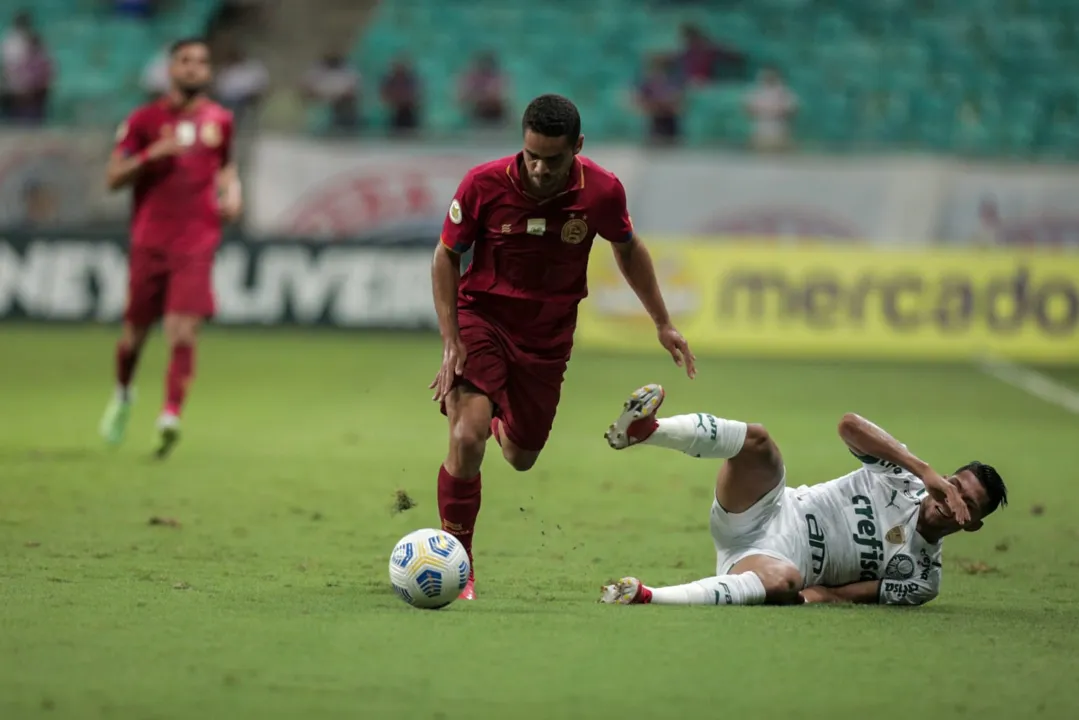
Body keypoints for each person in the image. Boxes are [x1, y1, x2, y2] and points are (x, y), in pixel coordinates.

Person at [432, 94, 695, 600]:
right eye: (530, 155)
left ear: (577, 147)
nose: (537, 169)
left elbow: (627, 247)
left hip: (547, 335)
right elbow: (445, 256)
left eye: (552, 160)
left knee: (520, 456)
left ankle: (492, 409)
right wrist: (451, 340)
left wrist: (662, 321)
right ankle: (457, 564)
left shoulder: (601, 191)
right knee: (467, 439)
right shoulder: (483, 184)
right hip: (481, 317)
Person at [599, 384, 1008, 606]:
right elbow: (849, 426)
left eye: (967, 504)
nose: (953, 500)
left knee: (786, 581)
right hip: (766, 510)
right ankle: (647, 431)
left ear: (972, 525)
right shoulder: (902, 477)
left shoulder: (922, 578)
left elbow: (841, 594)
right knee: (758, 441)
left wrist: (807, 597)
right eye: (956, 487)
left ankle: (647, 596)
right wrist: (925, 471)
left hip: (773, 562)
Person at [99, 38, 241, 458]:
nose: (195, 68)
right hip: (150, 242)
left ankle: (170, 415)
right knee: (134, 336)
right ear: (171, 69)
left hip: (197, 241)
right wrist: (149, 155)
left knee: (183, 331)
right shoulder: (143, 120)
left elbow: (226, 165)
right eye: (186, 61)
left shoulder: (221, 120)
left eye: (202, 61)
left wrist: (233, 191)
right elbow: (112, 178)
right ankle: (124, 394)